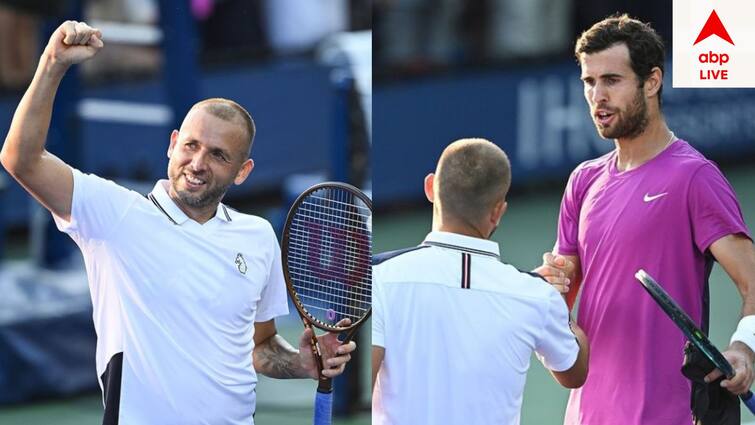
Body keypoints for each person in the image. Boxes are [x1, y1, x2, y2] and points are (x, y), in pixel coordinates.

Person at [0, 21, 355, 424]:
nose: (198, 164)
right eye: (190, 146)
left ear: (243, 171)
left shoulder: (256, 237)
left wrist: (301, 363)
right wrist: (52, 64)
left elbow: (260, 345)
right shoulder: (114, 214)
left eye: (219, 155)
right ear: (172, 144)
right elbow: (21, 160)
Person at [537, 14, 755, 424]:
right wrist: (546, 288)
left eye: (612, 80)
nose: (597, 96)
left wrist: (744, 348)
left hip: (666, 415)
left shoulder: (694, 177)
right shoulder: (582, 182)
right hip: (587, 415)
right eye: (589, 82)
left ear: (651, 82)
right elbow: (560, 299)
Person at [371, 138, 589, 425]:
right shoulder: (537, 295)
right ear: (499, 210)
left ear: (430, 187)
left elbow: (364, 375)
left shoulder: (378, 279)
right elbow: (575, 371)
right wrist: (556, 300)